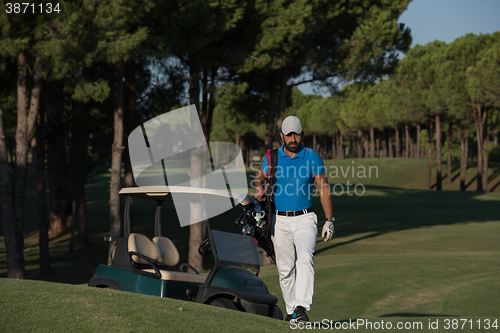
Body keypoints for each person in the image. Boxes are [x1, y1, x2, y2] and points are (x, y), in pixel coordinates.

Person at [254, 116, 335, 323]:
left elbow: (323, 188)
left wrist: (329, 219)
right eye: (288, 134)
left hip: (305, 219)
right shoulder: (272, 158)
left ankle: (301, 306)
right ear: (282, 135)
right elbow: (259, 178)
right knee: (284, 269)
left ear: (302, 134)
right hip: (279, 221)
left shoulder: (312, 157)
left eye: (296, 133)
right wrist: (258, 188)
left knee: (305, 258)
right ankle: (292, 312)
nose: (292, 138)